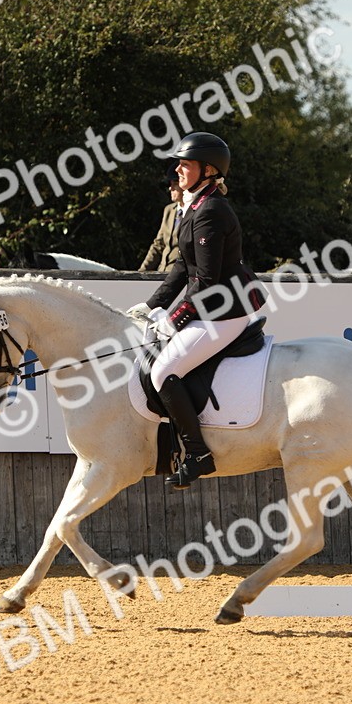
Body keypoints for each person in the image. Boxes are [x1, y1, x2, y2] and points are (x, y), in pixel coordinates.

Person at [125, 132, 265, 489]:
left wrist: (174, 319)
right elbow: (180, 267)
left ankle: (198, 454)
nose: (178, 169)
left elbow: (206, 280)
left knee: (163, 371)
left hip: (226, 311)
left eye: (185, 165)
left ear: (207, 170)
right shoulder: (193, 206)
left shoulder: (213, 211)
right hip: (210, 305)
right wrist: (153, 304)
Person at [138, 166, 184, 272]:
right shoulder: (169, 210)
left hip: (181, 276)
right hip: (161, 273)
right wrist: (141, 272)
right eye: (170, 184)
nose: (170, 188)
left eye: (175, 184)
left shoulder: (195, 212)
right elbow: (158, 244)